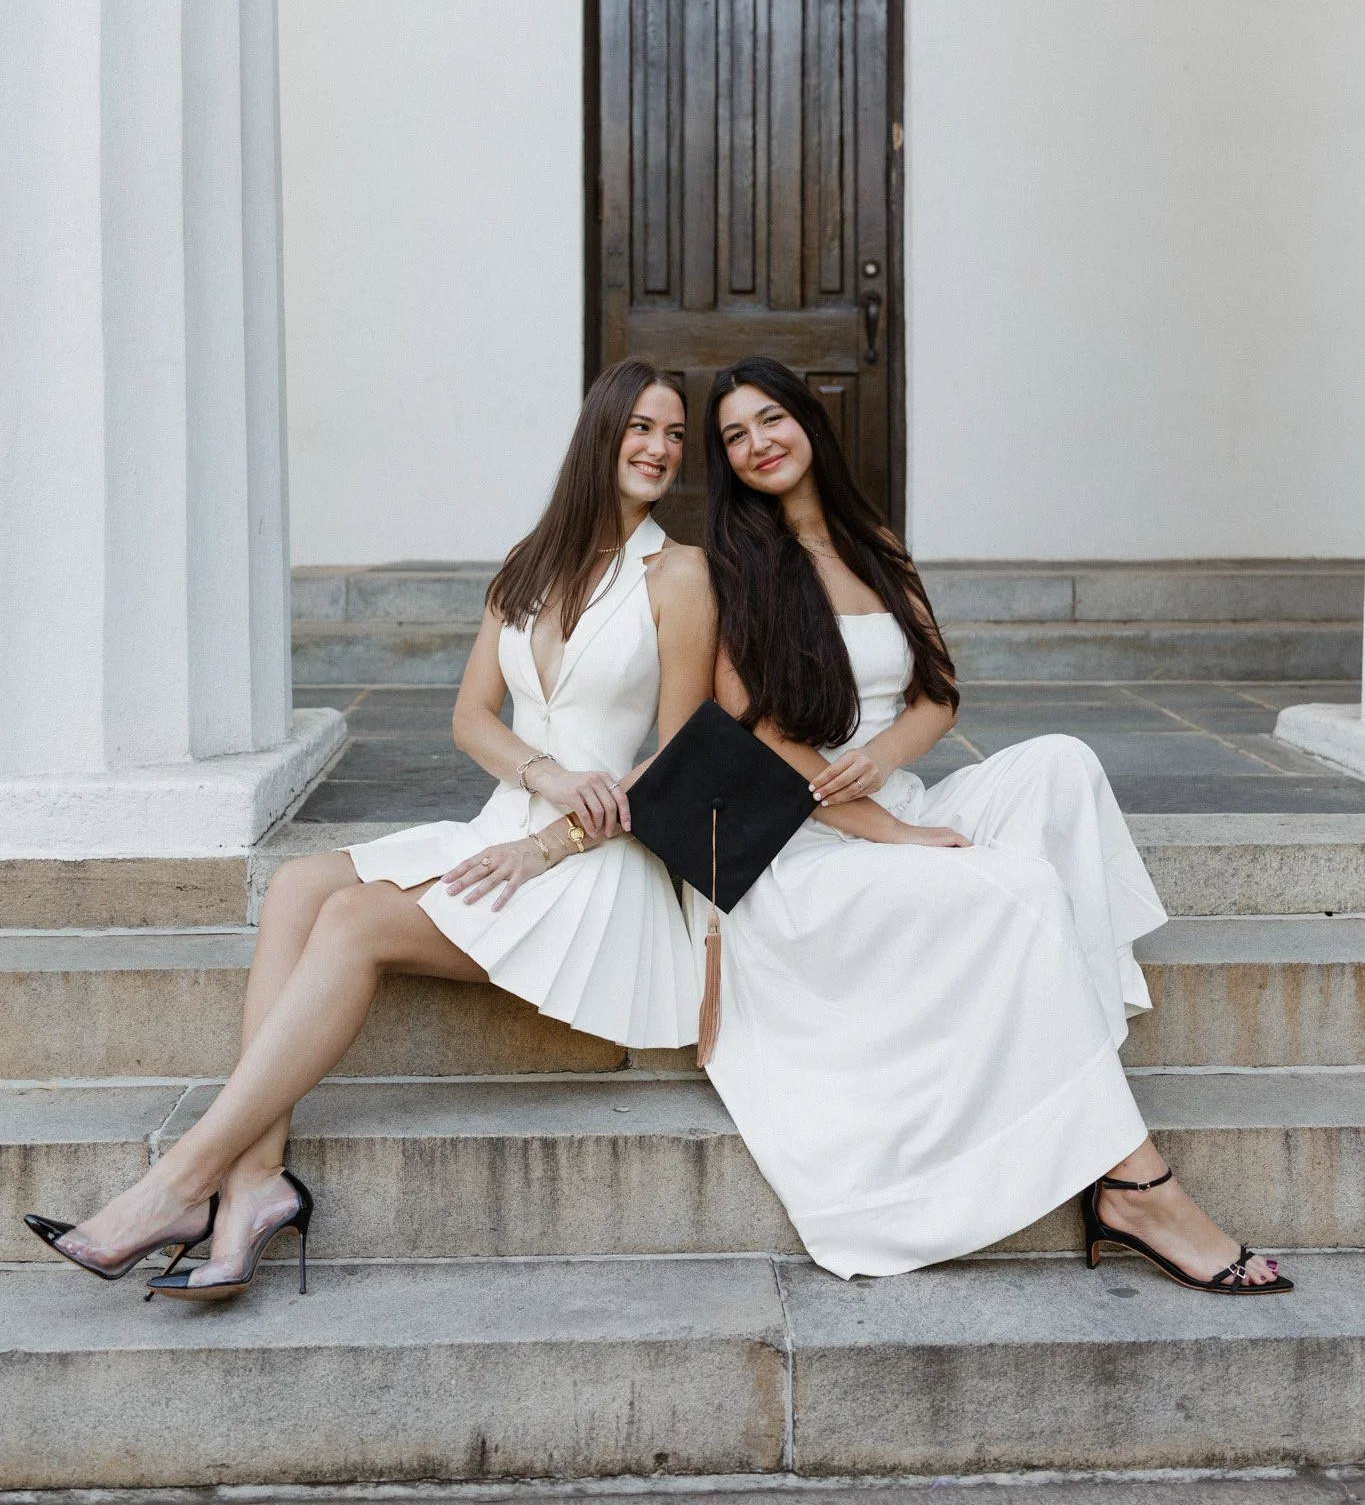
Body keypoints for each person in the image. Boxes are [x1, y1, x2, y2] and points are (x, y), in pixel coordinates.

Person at [24, 360, 714, 1298]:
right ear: (602, 431)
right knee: (299, 884)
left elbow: (676, 762)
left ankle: (179, 1185)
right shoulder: (530, 560)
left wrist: (547, 837)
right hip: (507, 819)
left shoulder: (679, 575)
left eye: (674, 434)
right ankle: (255, 1184)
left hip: (594, 861)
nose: (660, 448)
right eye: (641, 426)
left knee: (351, 919)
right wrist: (542, 774)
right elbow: (471, 717)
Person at [695, 355, 1289, 1293]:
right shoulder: (732, 568)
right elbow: (759, 737)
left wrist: (883, 762)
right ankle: (1134, 1184)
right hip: (803, 841)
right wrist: (886, 830)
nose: (757, 443)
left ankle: (1063, 1048)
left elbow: (936, 696)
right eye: (734, 435)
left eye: (770, 418)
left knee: (1061, 763)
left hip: (893, 795)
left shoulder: (874, 544)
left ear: (808, 420)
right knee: (1018, 883)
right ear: (725, 461)